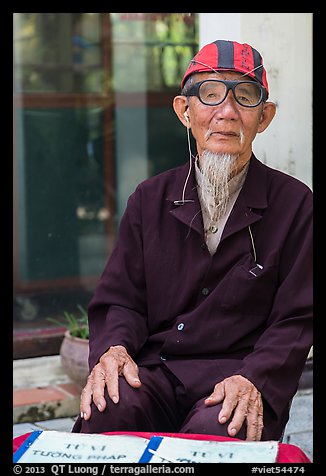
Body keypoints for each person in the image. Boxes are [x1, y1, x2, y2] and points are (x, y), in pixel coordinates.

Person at [72, 39, 312, 441]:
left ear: (265, 117)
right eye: (210, 94)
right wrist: (113, 351)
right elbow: (122, 299)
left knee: (220, 429)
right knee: (108, 409)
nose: (227, 113)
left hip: (236, 377)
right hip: (156, 371)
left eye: (245, 98)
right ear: (185, 111)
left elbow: (296, 319)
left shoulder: (295, 204)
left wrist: (255, 378)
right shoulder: (150, 199)